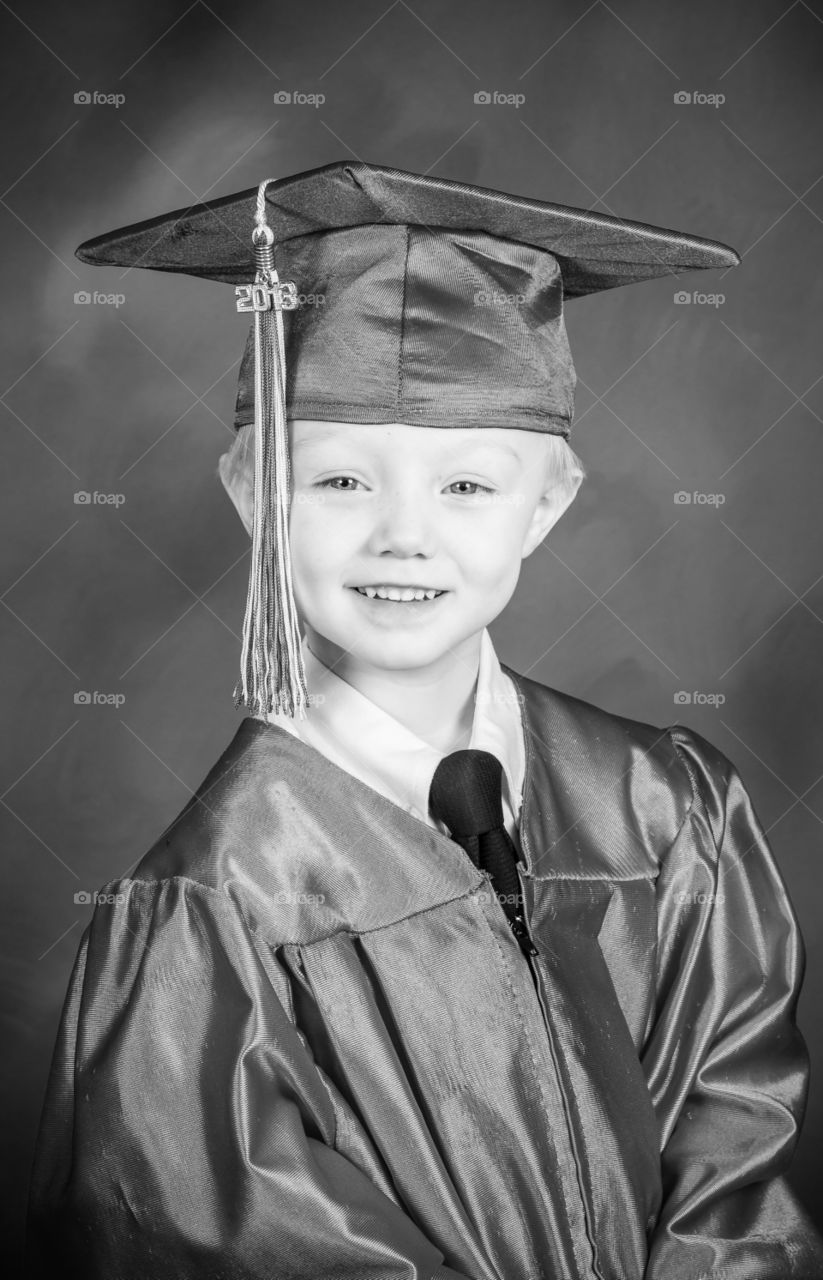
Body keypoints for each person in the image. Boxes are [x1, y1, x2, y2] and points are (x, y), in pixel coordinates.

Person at [25, 161, 823, 1279]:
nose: (405, 536)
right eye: (342, 482)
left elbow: (740, 1145)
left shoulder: (664, 805)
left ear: (545, 504)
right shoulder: (208, 909)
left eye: (466, 487)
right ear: (256, 492)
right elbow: (202, 1230)